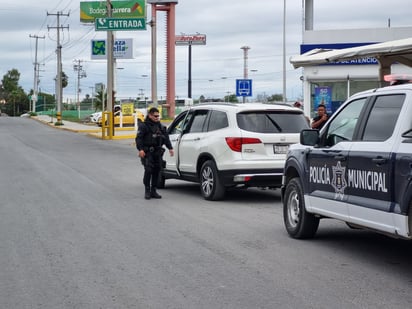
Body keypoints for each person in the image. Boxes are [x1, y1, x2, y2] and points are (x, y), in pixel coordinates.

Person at [136, 107, 174, 200]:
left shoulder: (161, 126)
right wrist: (140, 150)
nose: (157, 117)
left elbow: (166, 138)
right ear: (150, 115)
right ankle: (147, 190)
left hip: (157, 152)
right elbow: (139, 139)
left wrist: (170, 148)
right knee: (148, 170)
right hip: (147, 152)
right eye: (155, 116)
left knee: (157, 170)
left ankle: (153, 190)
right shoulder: (144, 126)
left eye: (158, 116)